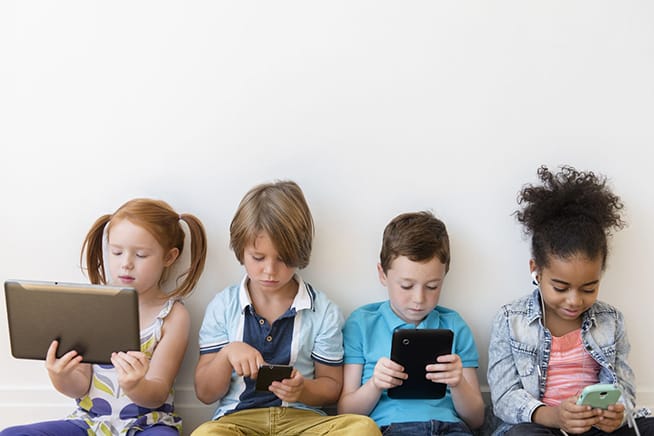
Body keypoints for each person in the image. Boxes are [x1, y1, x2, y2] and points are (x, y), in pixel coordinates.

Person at [2, 198, 208, 435]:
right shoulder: (91, 304)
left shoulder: (173, 315)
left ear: (169, 257)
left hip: (147, 425)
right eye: (117, 252)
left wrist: (136, 385)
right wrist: (59, 375)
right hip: (89, 424)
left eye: (141, 255)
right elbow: (80, 387)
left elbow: (157, 394)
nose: (126, 264)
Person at [191, 180, 380, 435]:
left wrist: (303, 390)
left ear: (299, 252)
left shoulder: (323, 311)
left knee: (363, 428)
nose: (270, 270)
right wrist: (226, 355)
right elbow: (205, 393)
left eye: (283, 259)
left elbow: (332, 387)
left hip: (303, 421)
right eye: (258, 258)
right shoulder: (223, 306)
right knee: (205, 433)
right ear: (241, 250)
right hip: (238, 422)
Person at [487, 165, 654, 436]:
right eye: (560, 287)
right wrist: (554, 416)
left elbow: (624, 388)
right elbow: (504, 397)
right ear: (536, 271)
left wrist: (616, 414)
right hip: (544, 426)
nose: (574, 301)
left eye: (589, 288)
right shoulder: (510, 320)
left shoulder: (611, 321)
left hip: (595, 428)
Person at [337, 211, 485, 435]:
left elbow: (476, 419)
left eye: (432, 286)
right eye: (406, 286)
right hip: (391, 428)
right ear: (383, 274)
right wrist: (375, 384)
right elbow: (345, 413)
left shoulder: (454, 325)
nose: (419, 299)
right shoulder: (362, 323)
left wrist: (458, 384)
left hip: (450, 428)